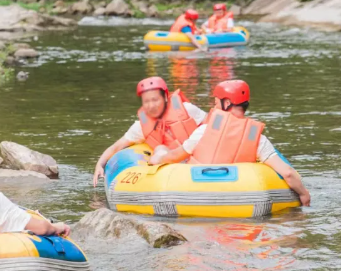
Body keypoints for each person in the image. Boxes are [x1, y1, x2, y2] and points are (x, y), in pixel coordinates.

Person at [149, 80, 311, 206]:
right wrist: (304, 194)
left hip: (197, 195)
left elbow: (175, 156)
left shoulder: (204, 131)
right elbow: (288, 173)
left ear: (226, 103)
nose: (213, 106)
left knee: (161, 150)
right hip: (242, 198)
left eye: (215, 102)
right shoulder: (257, 138)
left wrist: (159, 158)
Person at [92, 76, 207, 187]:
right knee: (160, 149)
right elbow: (116, 147)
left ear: (165, 97)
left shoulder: (187, 110)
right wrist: (100, 164)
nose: (151, 106)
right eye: (146, 101)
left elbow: (211, 129)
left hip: (198, 160)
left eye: (155, 100)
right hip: (171, 170)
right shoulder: (141, 127)